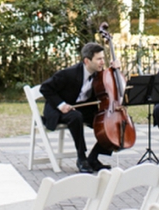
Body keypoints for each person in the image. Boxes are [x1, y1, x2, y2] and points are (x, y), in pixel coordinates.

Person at [40, 42, 120, 173]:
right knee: (76, 117)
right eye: (99, 59)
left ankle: (93, 158)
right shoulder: (68, 73)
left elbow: (113, 87)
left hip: (81, 108)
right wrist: (61, 105)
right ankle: (81, 158)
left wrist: (115, 71)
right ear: (87, 61)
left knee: (112, 121)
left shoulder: (100, 74)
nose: (102, 62)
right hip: (59, 109)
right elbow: (45, 88)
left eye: (103, 58)